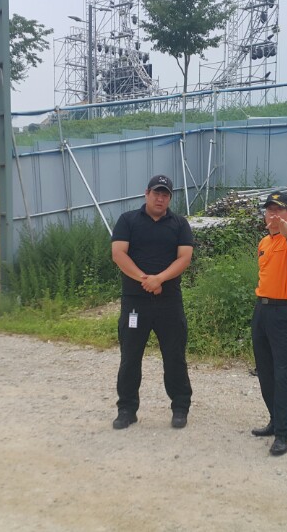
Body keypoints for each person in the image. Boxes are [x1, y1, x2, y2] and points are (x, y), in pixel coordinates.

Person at [110, 174, 194, 430]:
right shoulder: (128, 221)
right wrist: (145, 279)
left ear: (170, 198)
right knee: (130, 357)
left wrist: (160, 279)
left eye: (165, 194)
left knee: (174, 356)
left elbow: (184, 258)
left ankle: (180, 408)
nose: (160, 198)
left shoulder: (179, 224)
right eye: (156, 193)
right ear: (146, 194)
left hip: (169, 301)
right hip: (135, 302)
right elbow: (118, 254)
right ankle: (127, 410)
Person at [250, 191, 287, 456]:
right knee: (265, 370)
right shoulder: (264, 242)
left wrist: (283, 225)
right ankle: (274, 419)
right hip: (262, 309)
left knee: (283, 374)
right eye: (269, 210)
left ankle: (283, 433)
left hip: (284, 312)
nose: (272, 215)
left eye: (279, 210)